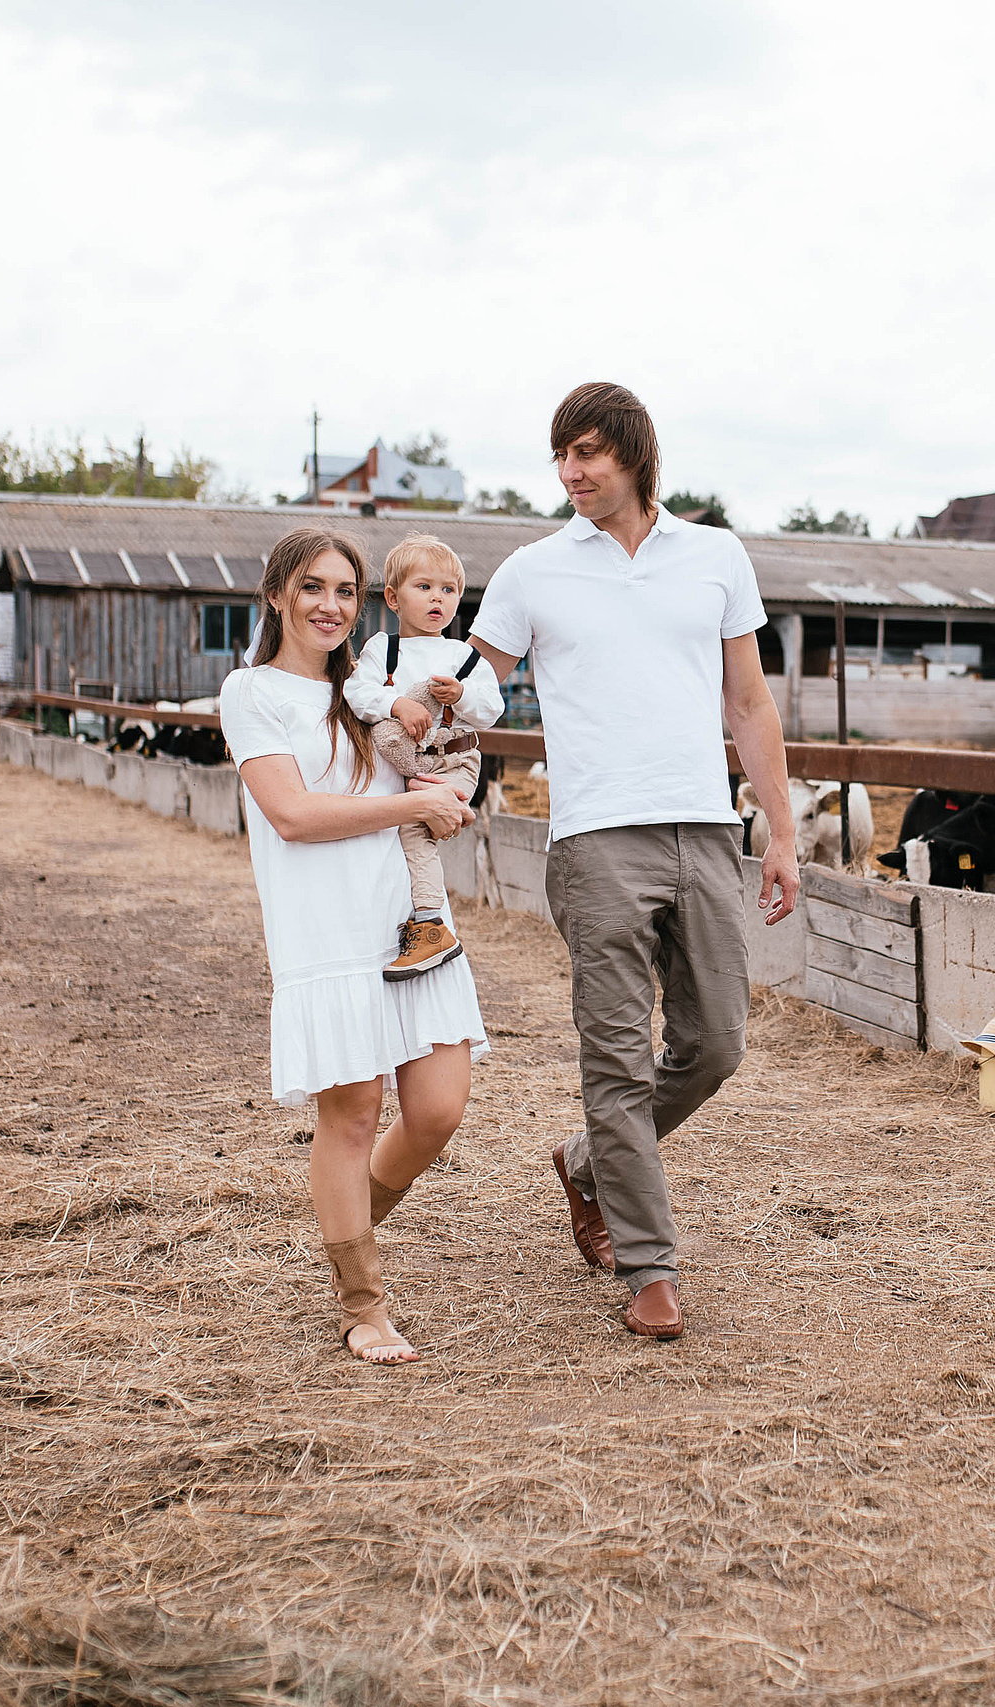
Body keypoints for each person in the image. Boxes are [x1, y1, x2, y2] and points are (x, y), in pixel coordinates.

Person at [469, 382, 798, 1341]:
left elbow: (749, 705)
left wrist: (779, 831)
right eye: (560, 458)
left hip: (703, 827)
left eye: (587, 454)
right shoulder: (533, 570)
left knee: (718, 1044)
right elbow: (474, 684)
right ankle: (650, 1267)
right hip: (595, 836)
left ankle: (587, 1162)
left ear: (634, 454)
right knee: (613, 1055)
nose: (571, 474)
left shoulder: (716, 556)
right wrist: (415, 701)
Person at [218, 526, 488, 1365]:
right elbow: (293, 816)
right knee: (354, 1112)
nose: (329, 605)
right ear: (277, 595)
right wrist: (414, 809)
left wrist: (449, 778)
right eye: (311, 588)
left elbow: (448, 745)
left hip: (408, 921)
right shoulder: (250, 691)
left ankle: (344, 1227)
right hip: (326, 927)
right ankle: (361, 1301)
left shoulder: (376, 686)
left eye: (344, 590)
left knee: (438, 1108)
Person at [350, 533, 502, 982]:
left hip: (453, 761)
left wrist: (462, 694)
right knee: (400, 828)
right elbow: (358, 692)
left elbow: (491, 711)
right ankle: (447, 821)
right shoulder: (384, 649)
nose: (438, 598)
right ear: (394, 598)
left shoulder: (463, 656)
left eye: (448, 590)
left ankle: (431, 923)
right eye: (424, 587)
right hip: (403, 764)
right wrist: (396, 704)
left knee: (416, 831)